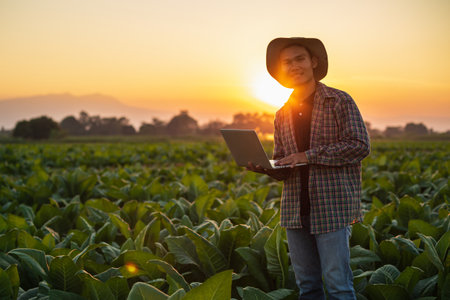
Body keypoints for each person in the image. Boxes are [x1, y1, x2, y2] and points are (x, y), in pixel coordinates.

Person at [247, 37, 370, 300]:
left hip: (332, 208)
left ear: (314, 62)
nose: (294, 66)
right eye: (287, 62)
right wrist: (266, 167)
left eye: (299, 59)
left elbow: (359, 145)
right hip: (295, 210)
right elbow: (284, 162)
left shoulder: (338, 100)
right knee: (308, 287)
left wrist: (309, 155)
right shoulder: (282, 113)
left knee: (338, 286)